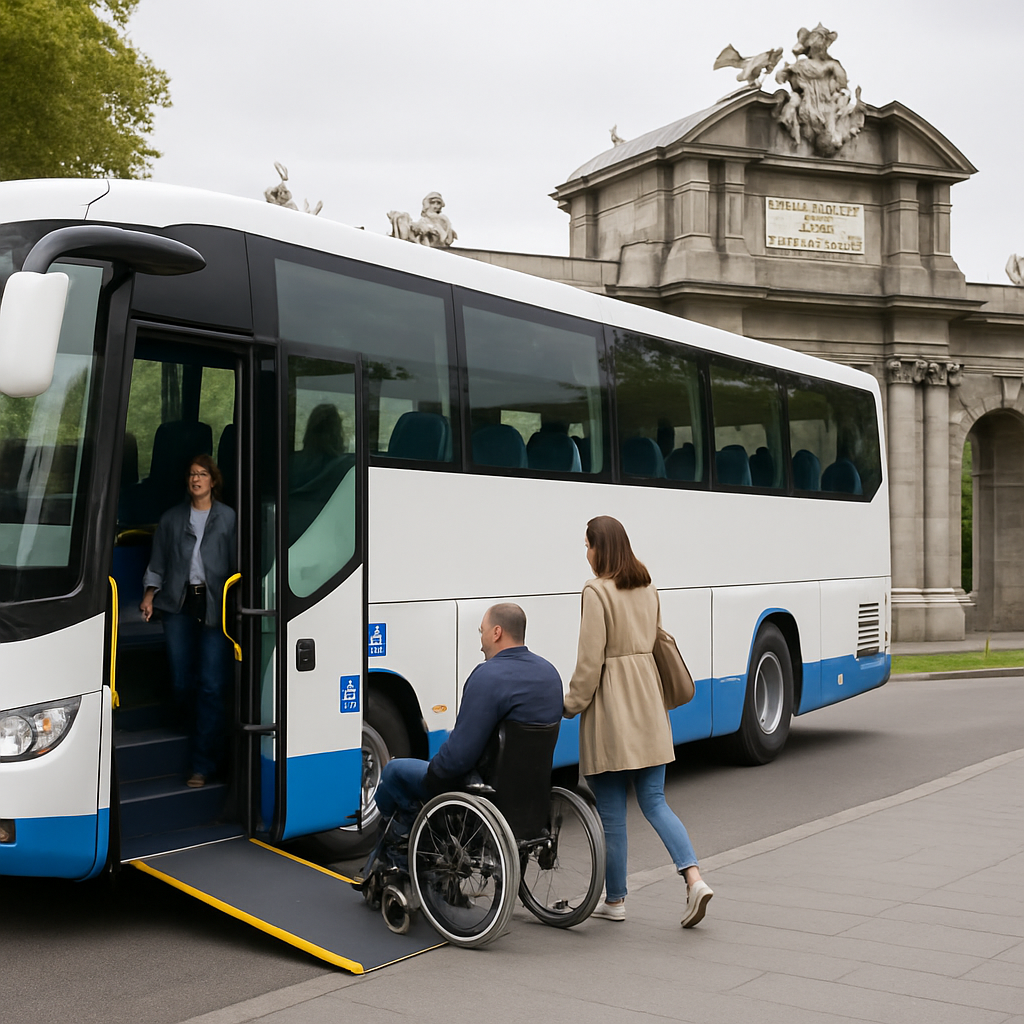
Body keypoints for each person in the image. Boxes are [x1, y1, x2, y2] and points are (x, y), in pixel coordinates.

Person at [563, 515, 713, 928]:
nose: (587, 553)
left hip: (612, 711)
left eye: (588, 545)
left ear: (601, 548)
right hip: (649, 705)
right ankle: (694, 878)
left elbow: (590, 661)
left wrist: (570, 704)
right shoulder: (647, 586)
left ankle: (616, 901)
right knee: (655, 802)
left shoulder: (595, 592)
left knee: (612, 814)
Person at [371, 602, 563, 830]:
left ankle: (404, 841)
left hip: (484, 789)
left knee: (394, 771)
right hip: (531, 792)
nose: (481, 643)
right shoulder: (550, 674)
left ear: (497, 632)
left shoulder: (488, 676)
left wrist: (434, 771)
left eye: (482, 632)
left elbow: (458, 759)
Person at [140, 454, 237, 788]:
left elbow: (238, 566)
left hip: (215, 606)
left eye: (203, 474)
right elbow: (158, 562)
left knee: (211, 686)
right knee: (182, 681)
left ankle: (203, 763)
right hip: (178, 604)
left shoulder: (228, 518)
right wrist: (150, 595)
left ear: (213, 480)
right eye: (192, 474)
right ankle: (195, 726)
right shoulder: (172, 519)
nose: (197, 479)